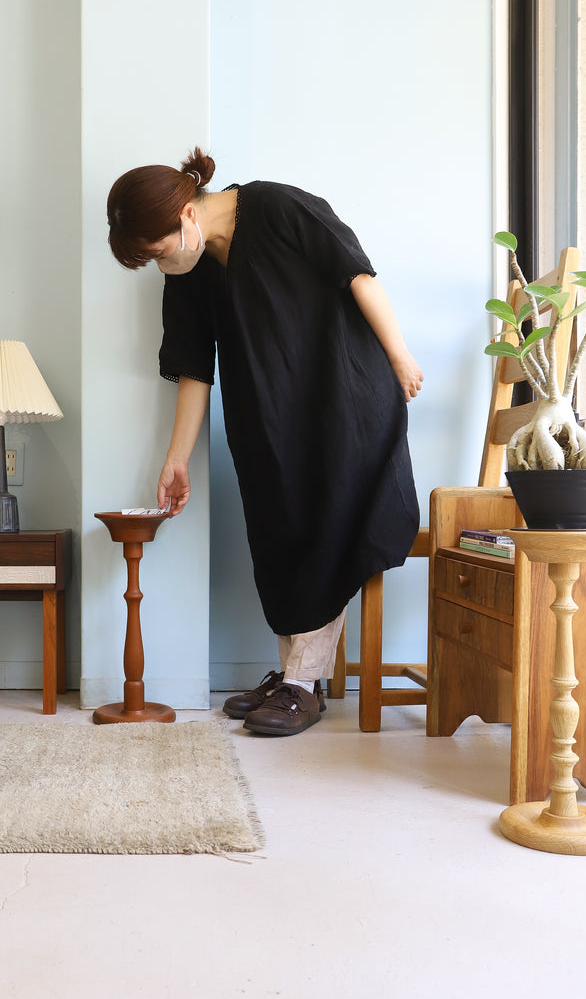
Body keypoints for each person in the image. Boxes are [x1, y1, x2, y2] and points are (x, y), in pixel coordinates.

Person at [106, 147, 423, 738]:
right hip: (266, 418)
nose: (159, 265)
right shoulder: (191, 269)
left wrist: (399, 355)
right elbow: (194, 368)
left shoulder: (278, 207)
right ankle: (292, 673)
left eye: (155, 252)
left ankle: (304, 683)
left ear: (185, 217)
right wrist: (176, 461)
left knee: (324, 517)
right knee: (276, 530)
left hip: (344, 402)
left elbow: (357, 273)